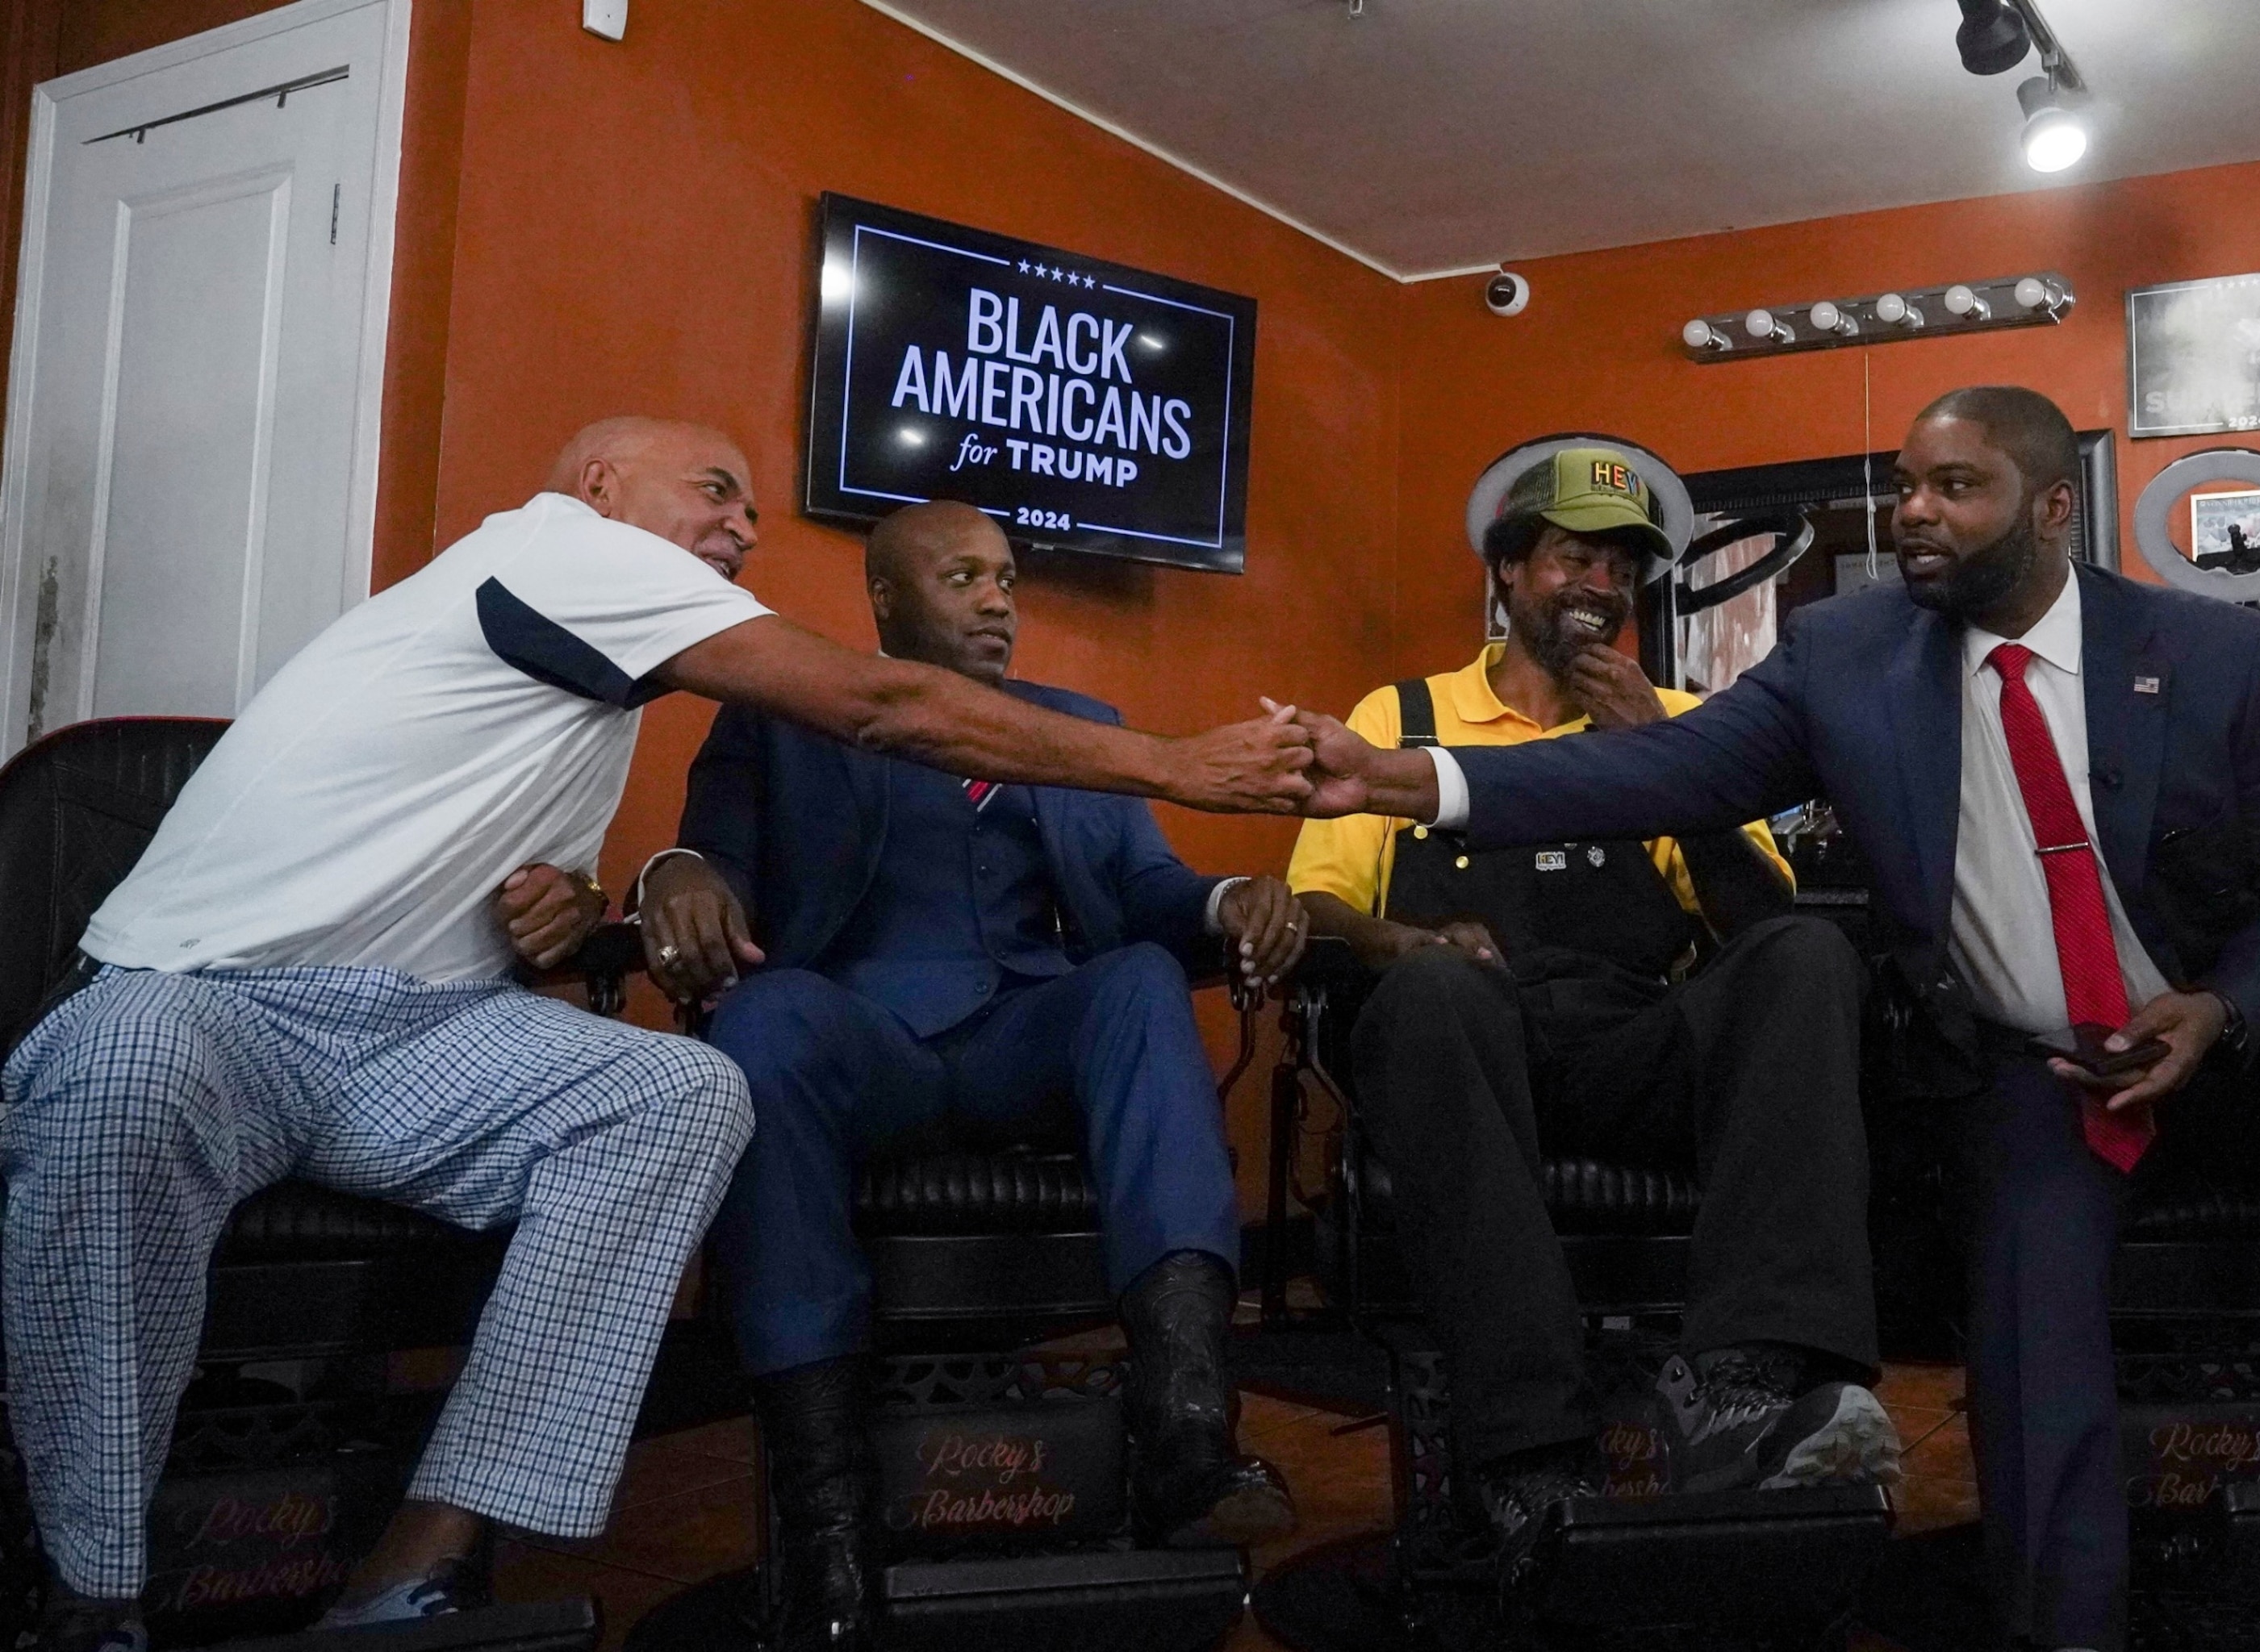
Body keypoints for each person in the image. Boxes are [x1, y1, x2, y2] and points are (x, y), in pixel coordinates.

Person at [0, 419, 1323, 1652]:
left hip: (428, 1034)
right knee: (130, 1064)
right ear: (596, 492)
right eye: (715, 492)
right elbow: (860, 723)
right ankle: (94, 1588)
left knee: (675, 1095)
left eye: (752, 508)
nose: (746, 524)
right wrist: (1182, 764)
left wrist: (578, 904)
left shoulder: (585, 700)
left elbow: (528, 903)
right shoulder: (558, 556)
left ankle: (417, 1564)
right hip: (210, 995)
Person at [1303, 390, 2260, 1652]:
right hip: (2041, 1059)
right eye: (1907, 484)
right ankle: (2063, 1620)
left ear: (2052, 509)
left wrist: (2224, 1007)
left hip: (2239, 1024)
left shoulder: (2218, 655)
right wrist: (1399, 777)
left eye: (1955, 487)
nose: (1914, 510)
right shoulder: (1850, 655)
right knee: (2032, 1261)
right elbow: (1652, 770)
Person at [641, 499, 1307, 1648]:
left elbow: (1151, 889)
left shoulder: (1079, 728)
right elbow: (711, 856)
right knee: (768, 1016)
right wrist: (675, 867)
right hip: (863, 1043)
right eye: (962, 578)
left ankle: (1191, 1423)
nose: (999, 600)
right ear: (886, 602)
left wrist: (1222, 900)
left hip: (1021, 1040)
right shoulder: (783, 718)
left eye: (1006, 579)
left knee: (1143, 975)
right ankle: (828, 1524)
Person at [1285, 446, 1896, 1568]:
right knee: (1428, 992)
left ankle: (1750, 1386)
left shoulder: (1678, 714)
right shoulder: (1402, 713)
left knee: (1810, 952)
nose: (1600, 588)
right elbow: (1315, 907)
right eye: (1575, 558)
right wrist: (1407, 939)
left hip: (1629, 1048)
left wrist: (1663, 761)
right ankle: (1529, 1457)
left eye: (1621, 570)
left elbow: (1759, 919)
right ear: (1510, 572)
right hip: (1467, 1055)